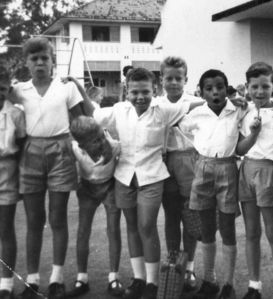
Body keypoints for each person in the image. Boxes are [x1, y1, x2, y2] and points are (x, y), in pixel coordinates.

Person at [92, 67, 203, 299]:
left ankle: (153, 282)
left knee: (146, 226)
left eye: (145, 92)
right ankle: (139, 278)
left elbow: (196, 105)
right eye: (134, 92)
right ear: (126, 90)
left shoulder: (162, 110)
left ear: (154, 90)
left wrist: (234, 101)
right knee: (132, 227)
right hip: (124, 177)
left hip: (152, 176)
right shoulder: (119, 110)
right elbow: (92, 114)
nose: (140, 97)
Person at [10, 37, 87, 299]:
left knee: (57, 217)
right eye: (34, 59)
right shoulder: (18, 90)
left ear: (52, 60)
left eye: (45, 57)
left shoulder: (65, 87)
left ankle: (56, 278)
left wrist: (95, 149)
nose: (40, 62)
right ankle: (31, 280)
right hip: (30, 154)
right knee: (34, 220)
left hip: (61, 152)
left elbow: (82, 121)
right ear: (27, 63)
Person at [178, 69, 247, 299]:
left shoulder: (237, 110)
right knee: (206, 228)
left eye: (219, 87)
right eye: (209, 88)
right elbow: (183, 128)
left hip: (227, 167)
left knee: (227, 228)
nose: (215, 92)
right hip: (203, 168)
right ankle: (209, 279)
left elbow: (253, 112)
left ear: (226, 88)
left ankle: (228, 283)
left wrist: (241, 101)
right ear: (202, 91)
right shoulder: (196, 114)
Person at [236, 62, 273, 299]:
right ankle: (253, 286)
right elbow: (239, 147)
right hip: (246, 169)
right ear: (247, 87)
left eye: (265, 86)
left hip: (268, 171)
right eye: (254, 86)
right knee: (251, 233)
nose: (259, 91)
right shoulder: (244, 110)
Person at [66, 116, 124, 298]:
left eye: (101, 137)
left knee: (113, 229)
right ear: (82, 144)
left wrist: (107, 145)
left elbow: (121, 154)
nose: (101, 142)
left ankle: (114, 277)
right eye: (95, 141)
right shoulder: (76, 148)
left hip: (110, 188)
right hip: (87, 189)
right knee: (83, 230)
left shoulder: (113, 146)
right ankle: (81, 278)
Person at [156, 56, 200, 291]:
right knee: (171, 215)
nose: (173, 82)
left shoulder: (197, 103)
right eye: (168, 78)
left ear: (186, 79)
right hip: (165, 162)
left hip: (189, 160)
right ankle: (174, 263)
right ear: (161, 79)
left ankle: (190, 267)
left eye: (178, 78)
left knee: (190, 216)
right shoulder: (156, 104)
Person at [0, 66, 26, 299]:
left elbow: (21, 149)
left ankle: (6, 283)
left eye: (2, 89)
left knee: (5, 229)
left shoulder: (16, 114)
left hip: (6, 175)